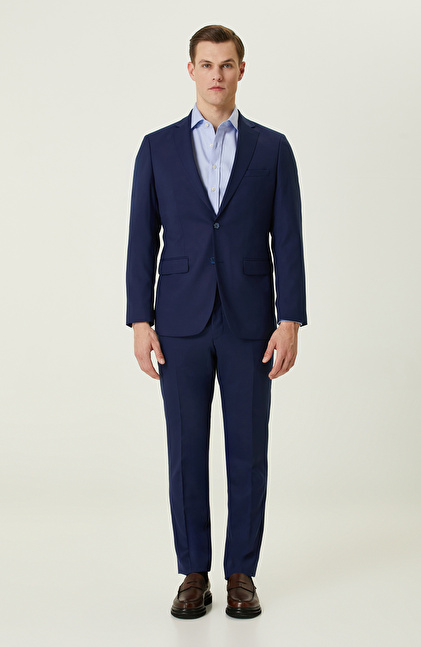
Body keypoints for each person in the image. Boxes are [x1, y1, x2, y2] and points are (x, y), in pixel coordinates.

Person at [126, 24, 307, 619]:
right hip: (179, 321)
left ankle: (240, 573)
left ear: (241, 70)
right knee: (186, 452)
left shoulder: (272, 148)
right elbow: (141, 240)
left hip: (250, 323)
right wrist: (140, 320)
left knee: (247, 452)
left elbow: (289, 239)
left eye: (226, 64)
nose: (216, 75)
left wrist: (290, 319)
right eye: (206, 65)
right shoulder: (157, 148)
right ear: (191, 70)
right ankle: (193, 572)